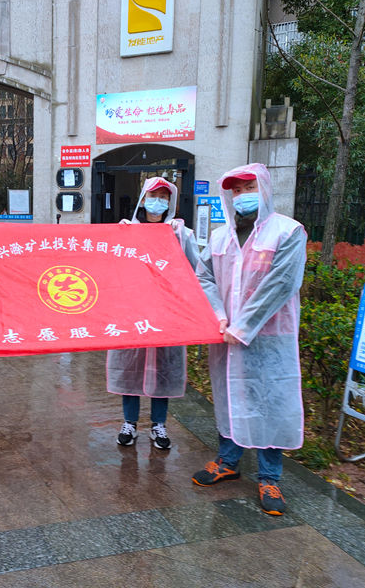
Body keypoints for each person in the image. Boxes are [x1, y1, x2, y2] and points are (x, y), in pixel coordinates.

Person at [192, 163, 307, 516]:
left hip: (269, 338)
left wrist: (242, 327)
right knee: (229, 397)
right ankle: (228, 461)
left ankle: (269, 477)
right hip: (224, 334)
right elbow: (204, 277)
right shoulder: (220, 237)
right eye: (237, 190)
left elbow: (281, 284)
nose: (242, 196)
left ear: (265, 189)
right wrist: (220, 316)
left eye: (249, 188)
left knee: (270, 403)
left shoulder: (288, 232)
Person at [108, 177, 199, 450]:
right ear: (143, 198)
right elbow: (112, 270)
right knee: (130, 367)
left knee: (163, 369)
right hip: (132, 312)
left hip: (165, 313)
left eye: (163, 196)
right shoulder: (126, 231)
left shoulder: (181, 234)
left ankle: (159, 425)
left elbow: (195, 271)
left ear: (170, 202)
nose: (157, 201)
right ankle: (130, 423)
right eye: (153, 195)